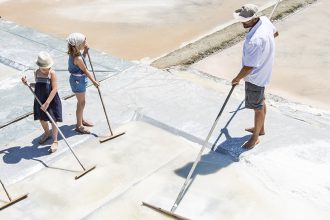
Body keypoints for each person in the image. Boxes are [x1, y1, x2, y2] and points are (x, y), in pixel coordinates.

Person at [231, 4, 279, 149]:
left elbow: (249, 66)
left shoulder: (255, 41)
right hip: (265, 70)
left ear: (253, 19)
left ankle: (255, 137)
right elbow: (275, 34)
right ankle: (261, 129)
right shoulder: (264, 20)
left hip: (255, 77)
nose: (242, 23)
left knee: (257, 107)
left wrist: (237, 78)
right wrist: (265, 49)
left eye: (244, 21)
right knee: (261, 101)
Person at [21, 51, 62, 153]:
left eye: (47, 67)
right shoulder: (36, 72)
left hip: (50, 100)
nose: (46, 69)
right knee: (42, 119)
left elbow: (55, 89)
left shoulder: (52, 73)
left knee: (53, 120)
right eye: (44, 68)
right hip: (40, 99)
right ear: (39, 66)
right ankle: (47, 133)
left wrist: (47, 103)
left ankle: (55, 140)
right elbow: (38, 85)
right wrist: (28, 84)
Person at [66, 33, 99, 134]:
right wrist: (94, 81)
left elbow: (82, 63)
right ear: (78, 45)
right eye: (84, 42)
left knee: (81, 102)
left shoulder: (76, 54)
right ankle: (79, 125)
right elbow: (85, 70)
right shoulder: (77, 58)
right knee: (81, 103)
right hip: (78, 81)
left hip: (78, 80)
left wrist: (84, 51)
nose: (86, 43)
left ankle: (81, 120)